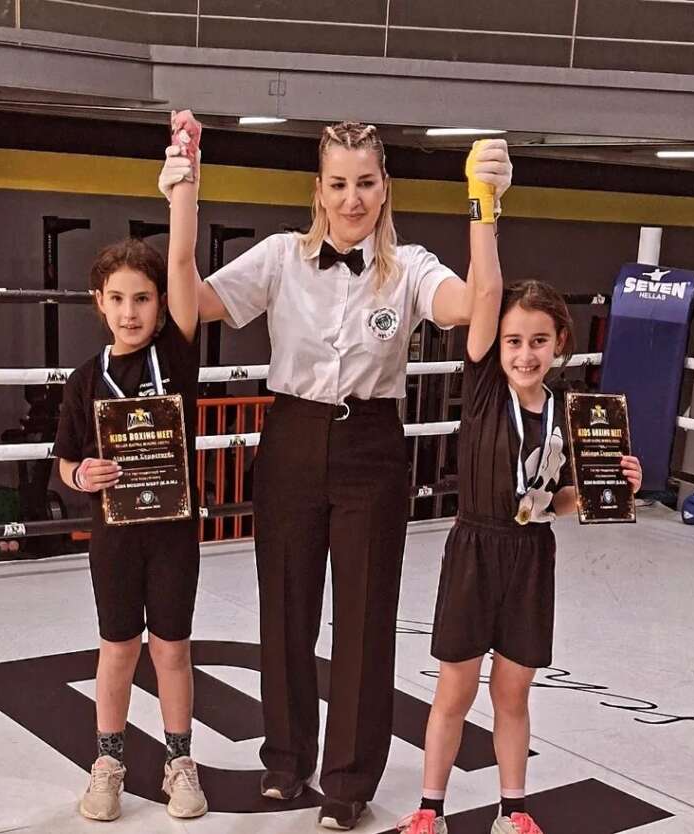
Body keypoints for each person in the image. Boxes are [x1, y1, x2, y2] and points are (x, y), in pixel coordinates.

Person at [158, 121, 513, 830]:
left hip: (372, 446)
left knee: (365, 616)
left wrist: (485, 207)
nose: (353, 199)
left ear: (386, 189)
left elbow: (478, 312)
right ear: (318, 190)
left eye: (366, 183)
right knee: (285, 607)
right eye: (340, 184)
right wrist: (182, 199)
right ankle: (287, 760)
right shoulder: (280, 257)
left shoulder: (411, 266)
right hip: (291, 437)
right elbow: (188, 304)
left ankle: (348, 780)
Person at [395, 144, 642, 834]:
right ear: (495, 345)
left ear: (559, 342)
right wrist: (485, 206)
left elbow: (556, 499)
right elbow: (487, 286)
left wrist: (604, 490)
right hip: (474, 548)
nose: (524, 353)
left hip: (531, 555)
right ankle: (430, 808)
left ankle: (514, 809)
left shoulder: (570, 413)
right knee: (454, 689)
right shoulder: (482, 389)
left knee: (513, 693)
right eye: (512, 341)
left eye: (537, 341)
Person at [54, 111, 206, 822]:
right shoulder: (84, 380)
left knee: (172, 649)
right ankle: (108, 761)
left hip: (173, 532)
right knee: (117, 649)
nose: (130, 311)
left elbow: (181, 260)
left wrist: (184, 180)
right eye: (116, 299)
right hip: (114, 536)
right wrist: (80, 477)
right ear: (98, 304)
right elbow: (64, 460)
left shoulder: (177, 354)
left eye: (142, 298)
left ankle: (180, 762)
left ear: (160, 304)